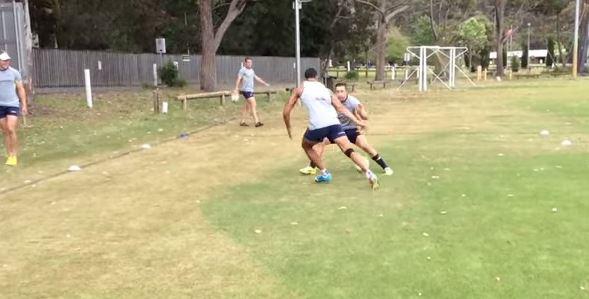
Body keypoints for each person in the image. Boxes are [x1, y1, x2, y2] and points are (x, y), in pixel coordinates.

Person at [283, 68, 379, 189]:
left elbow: (286, 111)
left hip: (317, 125)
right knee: (348, 149)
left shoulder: (300, 89)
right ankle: (370, 174)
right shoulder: (326, 90)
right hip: (334, 123)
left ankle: (324, 173)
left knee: (306, 145)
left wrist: (288, 128)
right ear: (317, 77)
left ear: (305, 77)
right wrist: (358, 121)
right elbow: (341, 108)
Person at [299, 82, 394, 176]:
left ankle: (385, 167)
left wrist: (362, 114)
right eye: (337, 91)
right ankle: (312, 167)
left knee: (365, 145)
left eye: (342, 91)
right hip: (336, 130)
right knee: (320, 144)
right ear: (334, 93)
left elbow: (365, 117)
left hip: (351, 129)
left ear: (346, 92)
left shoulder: (353, 102)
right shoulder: (330, 101)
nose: (340, 94)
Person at [0, 51, 28, 166]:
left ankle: (13, 155)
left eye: (8, 60)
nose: (7, 62)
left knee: (11, 129)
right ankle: (9, 154)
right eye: (4, 60)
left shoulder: (14, 73)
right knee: (5, 131)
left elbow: (20, 88)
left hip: (12, 104)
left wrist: (24, 104)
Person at [233, 57, 270, 127]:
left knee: (247, 107)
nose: (250, 64)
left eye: (251, 62)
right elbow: (238, 79)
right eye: (248, 62)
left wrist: (264, 83)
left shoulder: (252, 71)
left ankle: (242, 121)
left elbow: (257, 78)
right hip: (246, 90)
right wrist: (236, 88)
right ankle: (257, 122)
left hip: (251, 90)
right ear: (245, 63)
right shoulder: (242, 70)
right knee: (253, 104)